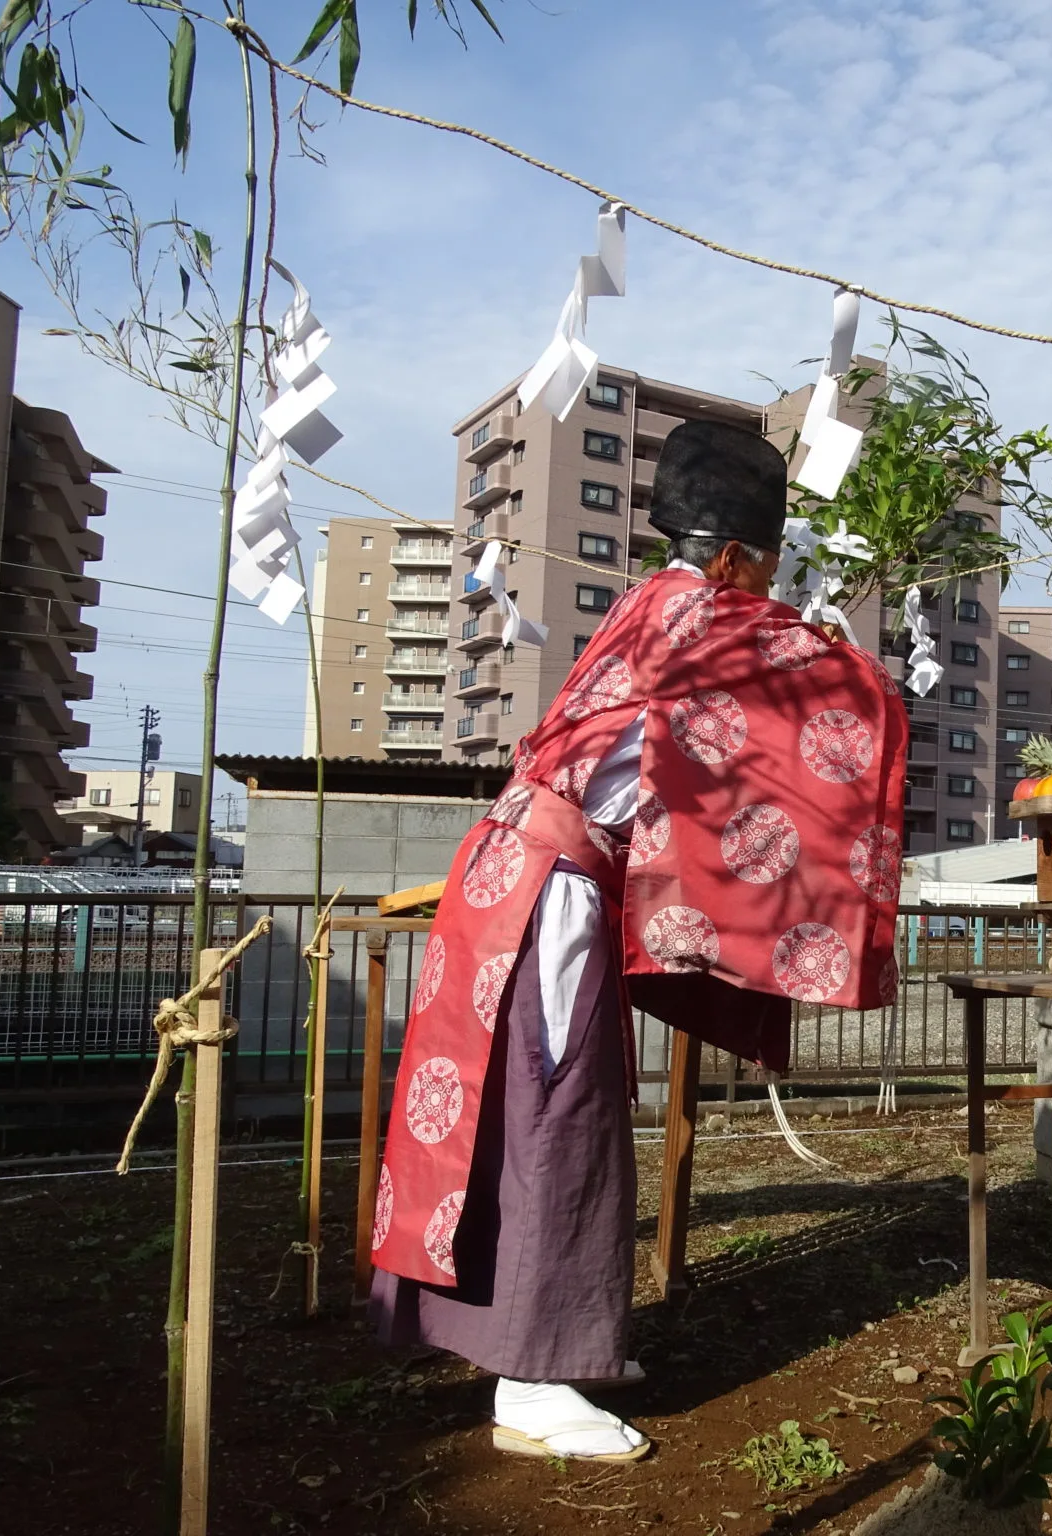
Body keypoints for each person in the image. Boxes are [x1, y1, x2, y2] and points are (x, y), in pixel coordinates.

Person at [369, 419, 907, 1463]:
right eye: (766, 568)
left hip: (514, 875)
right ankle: (533, 1382)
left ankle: (535, 1346)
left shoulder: (645, 606)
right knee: (554, 1114)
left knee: (508, 1113)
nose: (769, 590)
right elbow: (858, 699)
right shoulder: (706, 616)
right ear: (730, 556)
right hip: (551, 892)